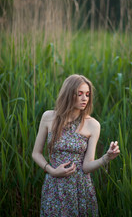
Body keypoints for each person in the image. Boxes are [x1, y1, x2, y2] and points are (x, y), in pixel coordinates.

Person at [32, 74, 120, 217]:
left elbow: (86, 166)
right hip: (54, 186)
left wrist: (106, 157)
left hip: (80, 188)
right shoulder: (48, 117)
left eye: (87, 94)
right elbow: (36, 153)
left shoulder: (93, 124)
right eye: (79, 94)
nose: (85, 98)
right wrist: (52, 171)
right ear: (68, 94)